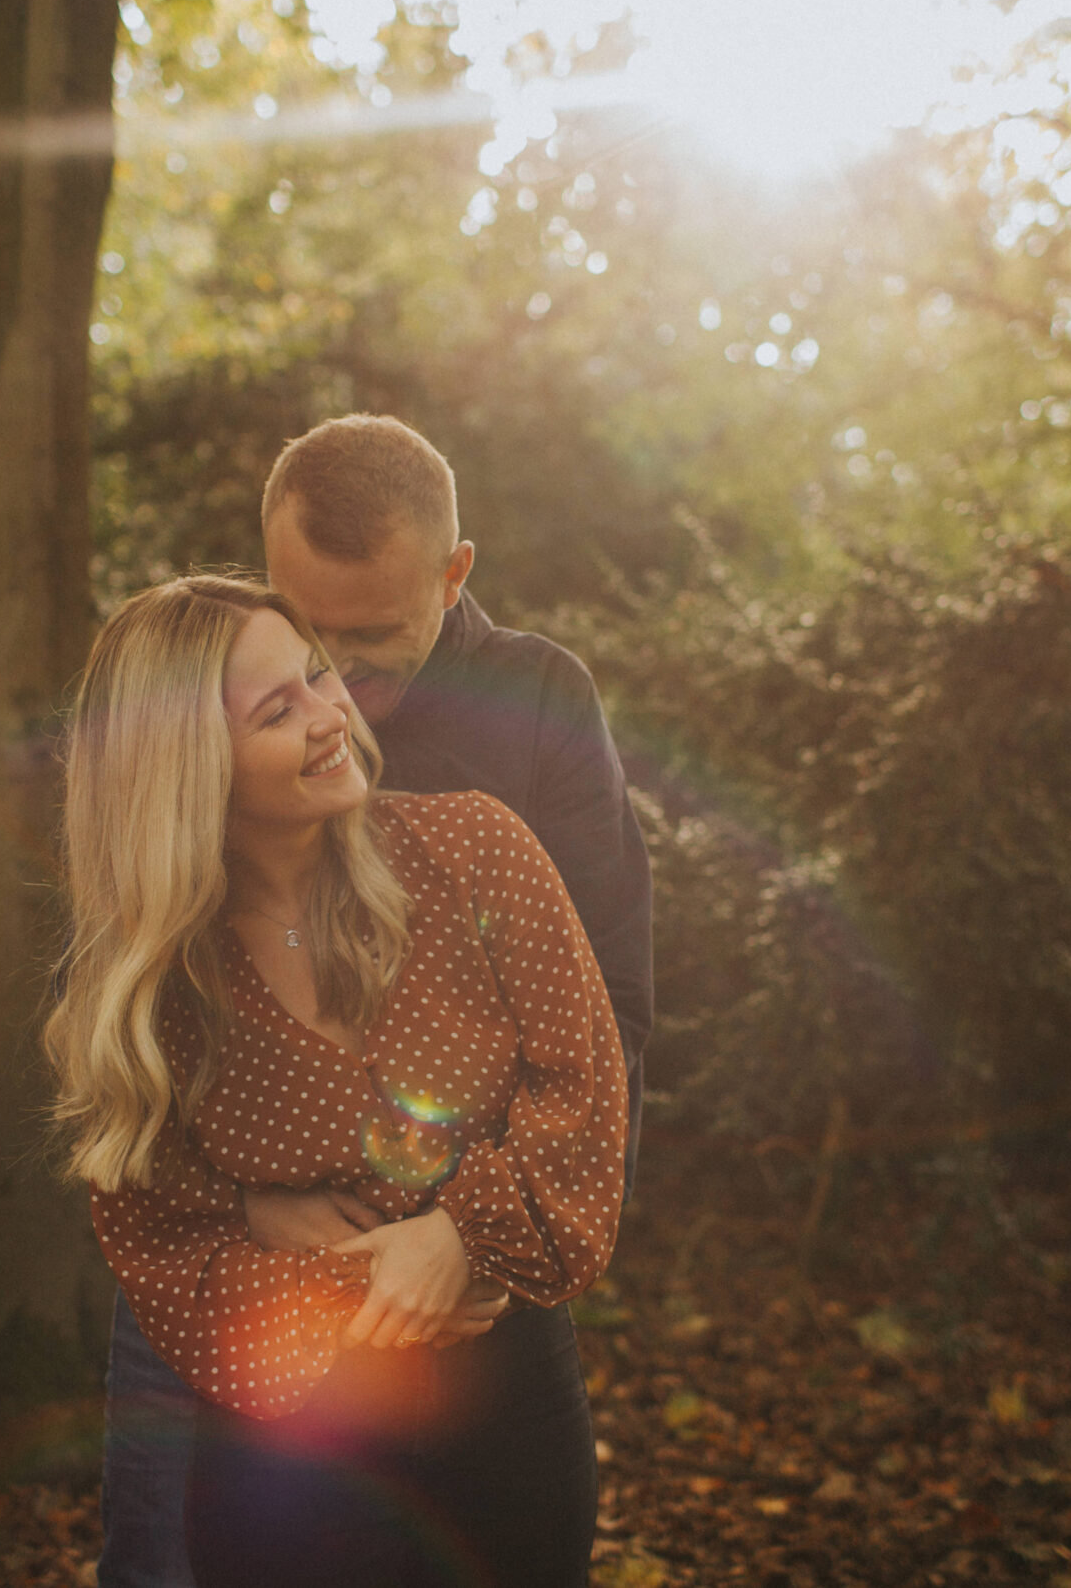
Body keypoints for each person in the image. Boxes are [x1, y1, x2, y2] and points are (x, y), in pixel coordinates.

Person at [95, 415, 654, 1588]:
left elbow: (604, 1027)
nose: (340, 691)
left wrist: (474, 1236)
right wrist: (251, 1213)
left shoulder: (528, 717)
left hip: (474, 1290)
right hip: (240, 1294)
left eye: (369, 649)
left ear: (452, 577)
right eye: (307, 646)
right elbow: (129, 1064)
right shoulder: (194, 725)